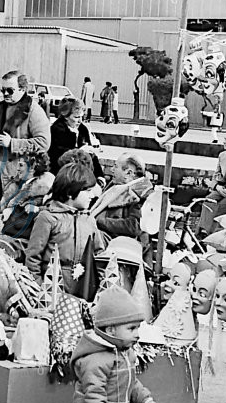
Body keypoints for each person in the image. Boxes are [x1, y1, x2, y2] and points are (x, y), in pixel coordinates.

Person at [25, 163, 106, 293]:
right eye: (88, 191)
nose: (92, 196)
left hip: (83, 291)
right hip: (52, 291)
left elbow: (99, 256)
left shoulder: (89, 220)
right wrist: (40, 288)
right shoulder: (47, 218)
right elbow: (33, 258)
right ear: (70, 192)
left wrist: (98, 288)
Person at [0, 70, 51, 210]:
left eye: (10, 91)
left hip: (19, 175)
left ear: (22, 89)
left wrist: (12, 143)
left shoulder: (34, 111)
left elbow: (44, 143)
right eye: (3, 90)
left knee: (7, 213)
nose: (5, 94)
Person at [92, 151, 154, 241]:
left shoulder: (141, 194)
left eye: (116, 166)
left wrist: (99, 221)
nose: (112, 170)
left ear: (128, 173)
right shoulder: (118, 185)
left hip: (122, 245)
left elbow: (134, 226)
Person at [49, 98, 104, 178]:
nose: (80, 121)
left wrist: (100, 175)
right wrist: (80, 150)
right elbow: (59, 156)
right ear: (66, 116)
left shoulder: (82, 129)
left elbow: (91, 154)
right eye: (76, 117)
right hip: (62, 173)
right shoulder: (57, 129)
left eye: (81, 117)